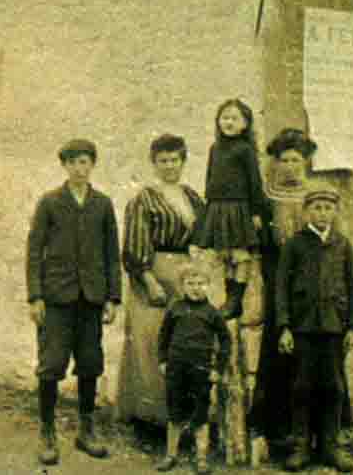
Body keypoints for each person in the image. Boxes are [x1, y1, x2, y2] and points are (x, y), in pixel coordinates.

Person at [26, 138, 121, 467]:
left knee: (90, 361)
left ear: (92, 165)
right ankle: (47, 432)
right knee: (51, 364)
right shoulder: (50, 202)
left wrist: (112, 297)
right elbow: (34, 250)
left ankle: (86, 430)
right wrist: (36, 296)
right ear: (64, 166)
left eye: (85, 162)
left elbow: (112, 254)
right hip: (56, 298)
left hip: (91, 298)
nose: (80, 168)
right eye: (74, 162)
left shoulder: (103, 204)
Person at [117, 133, 204, 425]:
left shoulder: (191, 196)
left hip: (185, 275)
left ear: (183, 162)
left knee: (181, 343)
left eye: (174, 160)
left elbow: (203, 233)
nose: (169, 166)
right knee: (151, 342)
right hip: (153, 273)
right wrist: (149, 280)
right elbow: (134, 245)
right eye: (163, 161)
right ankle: (152, 417)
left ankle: (183, 418)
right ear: (154, 164)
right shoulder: (144, 198)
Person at [275, 183, 353, 473]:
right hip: (303, 327)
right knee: (301, 386)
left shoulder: (343, 244)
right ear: (306, 212)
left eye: (328, 208)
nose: (322, 213)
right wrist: (285, 326)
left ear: (335, 212)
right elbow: (281, 289)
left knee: (333, 387)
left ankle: (330, 446)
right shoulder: (295, 244)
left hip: (334, 327)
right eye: (316, 208)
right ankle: (301, 446)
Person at [248, 127, 316, 453]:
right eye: (284, 159)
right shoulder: (267, 199)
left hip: (308, 287)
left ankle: (311, 434)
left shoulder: (314, 199)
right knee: (277, 353)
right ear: (275, 163)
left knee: (310, 355)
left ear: (306, 162)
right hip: (277, 284)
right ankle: (275, 432)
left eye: (296, 159)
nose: (289, 165)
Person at [191, 98, 265, 319]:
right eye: (225, 117)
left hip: (239, 207)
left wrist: (255, 212)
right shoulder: (215, 148)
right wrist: (208, 208)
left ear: (245, 124)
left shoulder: (245, 150)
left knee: (240, 255)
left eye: (234, 118)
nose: (229, 122)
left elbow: (254, 182)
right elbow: (209, 178)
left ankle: (235, 299)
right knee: (224, 254)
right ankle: (229, 297)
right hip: (217, 207)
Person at [157, 264, 231, 474]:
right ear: (182, 286)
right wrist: (163, 360)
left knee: (200, 413)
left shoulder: (212, 313)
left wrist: (218, 368)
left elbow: (225, 341)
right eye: (190, 283)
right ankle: (171, 455)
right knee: (175, 411)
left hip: (201, 369)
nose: (196, 288)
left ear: (208, 286)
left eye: (200, 283)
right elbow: (163, 336)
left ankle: (201, 458)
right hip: (176, 367)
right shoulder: (175, 309)